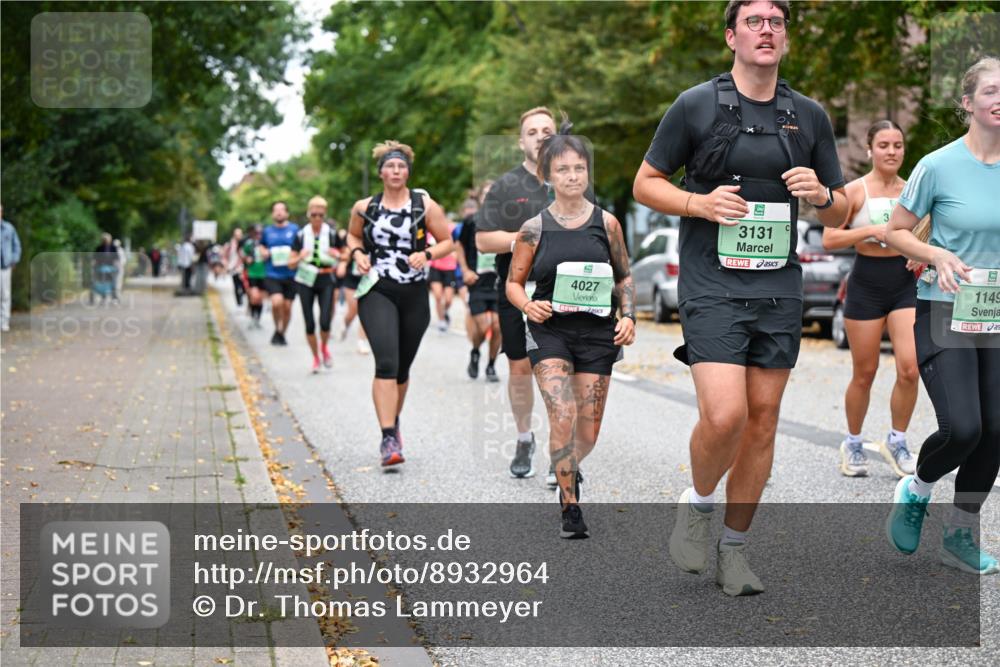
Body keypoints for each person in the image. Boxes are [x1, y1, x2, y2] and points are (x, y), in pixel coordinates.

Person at [633, 0, 848, 595]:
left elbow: (841, 212)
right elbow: (645, 184)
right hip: (711, 280)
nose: (766, 30)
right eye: (754, 22)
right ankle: (699, 503)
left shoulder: (808, 116)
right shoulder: (696, 104)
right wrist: (698, 203)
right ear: (732, 36)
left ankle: (734, 550)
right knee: (726, 415)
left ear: (786, 37)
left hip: (777, 283)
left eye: (776, 22)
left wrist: (821, 194)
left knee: (763, 421)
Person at [884, 56, 1000, 575]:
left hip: (996, 311)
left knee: (996, 431)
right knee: (964, 427)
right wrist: (935, 254)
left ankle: (960, 534)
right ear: (967, 102)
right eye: (991, 90)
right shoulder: (937, 165)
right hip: (945, 307)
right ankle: (917, 488)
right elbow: (895, 231)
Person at [507, 134, 636, 538]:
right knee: (562, 413)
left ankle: (567, 465)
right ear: (547, 175)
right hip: (550, 332)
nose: (573, 175)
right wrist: (528, 306)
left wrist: (629, 316)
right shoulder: (533, 228)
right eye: (563, 169)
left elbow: (624, 277)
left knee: (588, 433)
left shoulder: (607, 224)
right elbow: (514, 283)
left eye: (579, 168)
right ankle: (570, 506)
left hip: (598, 334)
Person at [346, 140, 453, 467]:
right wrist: (358, 253)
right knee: (386, 363)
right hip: (377, 289)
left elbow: (448, 241)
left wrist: (427, 254)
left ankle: (393, 421)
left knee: (402, 369)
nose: (396, 171)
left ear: (408, 172)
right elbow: (353, 236)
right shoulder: (365, 207)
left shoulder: (425, 206)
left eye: (401, 166)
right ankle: (388, 437)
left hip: (414, 293)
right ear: (381, 172)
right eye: (390, 166)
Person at [823, 120, 919, 478]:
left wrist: (921, 253)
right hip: (865, 284)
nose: (891, 151)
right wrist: (871, 230)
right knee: (865, 373)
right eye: (883, 145)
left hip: (904, 283)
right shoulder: (854, 191)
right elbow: (830, 239)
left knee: (910, 368)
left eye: (897, 145)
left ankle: (897, 440)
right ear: (869, 150)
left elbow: (928, 233)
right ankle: (853, 442)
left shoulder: (913, 191)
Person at [477, 106, 558, 482]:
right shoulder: (505, 186)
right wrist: (524, 239)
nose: (540, 136)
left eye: (547, 130)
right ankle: (525, 437)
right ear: (520, 141)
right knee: (521, 369)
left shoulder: (571, 177)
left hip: (563, 289)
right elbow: (483, 240)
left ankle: (562, 452)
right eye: (532, 132)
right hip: (517, 289)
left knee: (560, 370)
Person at [290, 197, 347, 373]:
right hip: (305, 279)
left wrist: (338, 255)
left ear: (324, 215)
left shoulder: (332, 234)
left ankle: (324, 348)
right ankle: (315, 357)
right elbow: (290, 263)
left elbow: (346, 255)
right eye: (314, 214)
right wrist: (300, 257)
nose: (317, 218)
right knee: (309, 323)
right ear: (308, 214)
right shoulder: (300, 235)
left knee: (325, 322)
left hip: (325, 278)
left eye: (320, 215)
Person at [456, 196, 501, 381]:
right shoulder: (471, 220)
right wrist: (465, 270)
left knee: (497, 326)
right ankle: (475, 352)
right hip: (477, 282)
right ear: (481, 198)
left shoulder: (506, 221)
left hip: (498, 282)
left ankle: (491, 365)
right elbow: (459, 245)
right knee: (483, 327)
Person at [259, 201, 300, 346]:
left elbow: (301, 247)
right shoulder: (267, 231)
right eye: (276, 210)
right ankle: (277, 327)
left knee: (287, 307)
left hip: (291, 274)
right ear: (272, 214)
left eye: (282, 210)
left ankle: (282, 333)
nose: (279, 212)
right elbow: (261, 246)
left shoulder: (295, 229)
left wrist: (297, 257)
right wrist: (263, 251)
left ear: (287, 213)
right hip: (273, 274)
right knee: (277, 303)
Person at [336, 227, 371, 354]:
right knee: (354, 309)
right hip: (352, 278)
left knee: (365, 311)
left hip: (368, 278)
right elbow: (345, 254)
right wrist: (342, 264)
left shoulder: (376, 233)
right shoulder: (351, 235)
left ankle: (361, 341)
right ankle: (345, 324)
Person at [428, 220, 459, 332]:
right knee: (437, 296)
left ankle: (445, 311)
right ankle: (441, 320)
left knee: (449, 299)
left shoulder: (452, 228)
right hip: (435, 267)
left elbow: (458, 245)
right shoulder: (430, 231)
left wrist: (455, 253)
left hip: (449, 268)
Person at [0, 204, 21, 332]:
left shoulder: (9, 228)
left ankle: (4, 321)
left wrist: (14, 260)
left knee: (5, 295)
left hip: (5, 267)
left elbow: (16, 245)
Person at [241, 225, 266, 328]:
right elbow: (243, 255)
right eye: (256, 233)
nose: (258, 235)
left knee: (260, 298)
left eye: (260, 233)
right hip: (252, 273)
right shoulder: (249, 244)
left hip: (264, 273)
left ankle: (258, 319)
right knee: (253, 296)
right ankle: (252, 317)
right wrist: (247, 259)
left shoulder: (265, 244)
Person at [223, 227, 246, 307]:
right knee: (236, 285)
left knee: (243, 284)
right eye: (237, 235)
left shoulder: (244, 243)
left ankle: (243, 298)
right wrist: (226, 266)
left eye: (240, 235)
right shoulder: (229, 245)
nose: (238, 236)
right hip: (233, 268)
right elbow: (224, 256)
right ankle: (239, 302)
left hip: (242, 267)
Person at [94, 233, 120, 303]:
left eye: (106, 240)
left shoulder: (113, 248)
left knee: (113, 281)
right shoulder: (99, 248)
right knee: (102, 281)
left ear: (109, 240)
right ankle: (103, 296)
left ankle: (114, 297)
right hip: (101, 267)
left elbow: (117, 257)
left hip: (111, 267)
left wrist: (116, 264)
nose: (105, 241)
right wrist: (94, 263)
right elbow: (95, 257)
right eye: (104, 240)